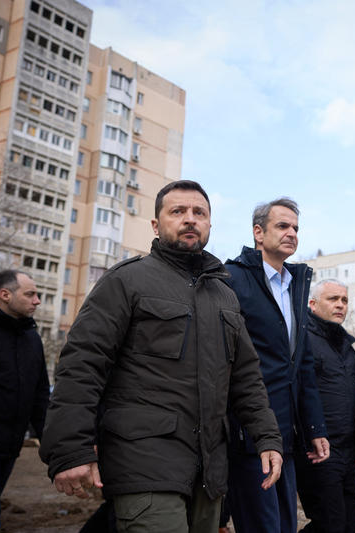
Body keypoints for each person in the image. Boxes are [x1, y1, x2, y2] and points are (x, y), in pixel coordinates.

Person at [39, 180, 283, 533]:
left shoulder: (224, 296)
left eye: (199, 213)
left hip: (209, 472)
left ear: (210, 224)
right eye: (178, 211)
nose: (190, 219)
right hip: (144, 464)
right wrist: (70, 450)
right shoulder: (127, 281)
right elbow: (82, 365)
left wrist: (267, 438)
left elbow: (246, 377)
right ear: (156, 225)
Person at [223, 198, 328, 533]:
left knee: (284, 525)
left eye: (296, 227)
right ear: (258, 232)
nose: (292, 233)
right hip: (248, 434)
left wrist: (313, 428)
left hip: (286, 435)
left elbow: (302, 365)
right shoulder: (232, 279)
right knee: (261, 525)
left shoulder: (294, 285)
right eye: (283, 226)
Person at [0, 270, 48, 532]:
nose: (37, 300)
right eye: (30, 294)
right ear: (5, 295)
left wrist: (51, 442)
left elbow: (39, 395)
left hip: (10, 445)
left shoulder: (32, 339)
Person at [295, 280, 355, 533]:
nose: (340, 305)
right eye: (333, 299)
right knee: (329, 523)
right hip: (317, 449)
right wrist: (310, 436)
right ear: (312, 304)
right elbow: (298, 394)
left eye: (344, 300)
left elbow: (348, 400)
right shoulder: (303, 340)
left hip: (346, 451)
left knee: (346, 524)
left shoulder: (347, 347)